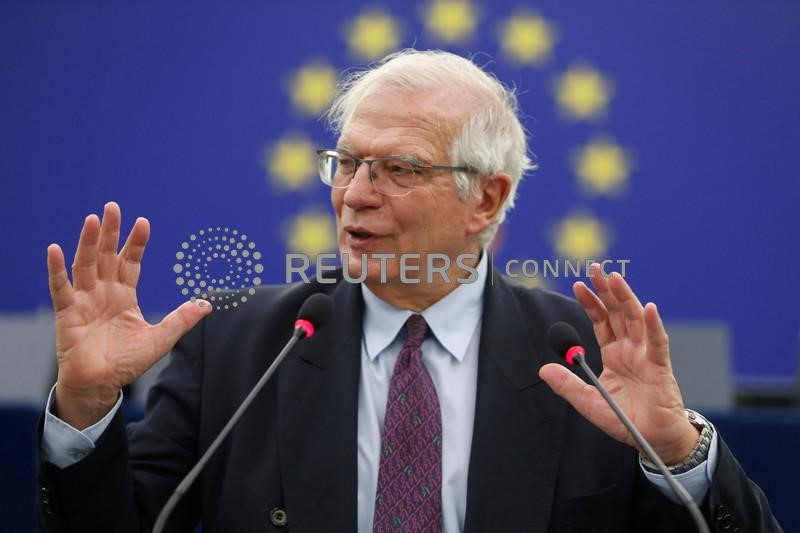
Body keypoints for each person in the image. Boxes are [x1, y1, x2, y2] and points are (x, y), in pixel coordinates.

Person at [37, 50, 780, 532]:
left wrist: (677, 452)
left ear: (486, 201)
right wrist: (88, 409)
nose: (355, 196)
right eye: (345, 163)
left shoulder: (583, 360)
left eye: (398, 169)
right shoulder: (236, 345)